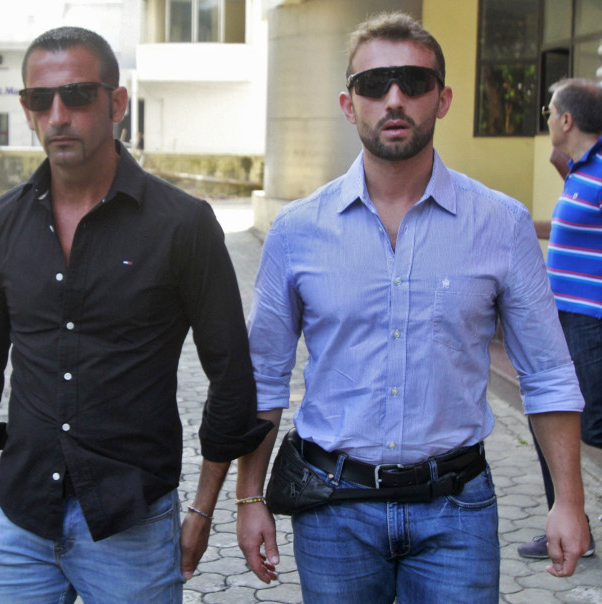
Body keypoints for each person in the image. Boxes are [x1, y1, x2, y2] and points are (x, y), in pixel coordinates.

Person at [236, 12, 590, 603]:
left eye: (413, 83)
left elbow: (549, 375)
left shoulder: (499, 225)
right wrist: (250, 500)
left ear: (443, 98)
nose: (393, 99)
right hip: (333, 513)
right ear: (349, 105)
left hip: (457, 511)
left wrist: (569, 504)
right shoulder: (297, 231)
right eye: (374, 85)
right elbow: (264, 379)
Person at [0, 26, 271, 603]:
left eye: (79, 95)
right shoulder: (2, 224)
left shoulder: (182, 225)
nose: (58, 114)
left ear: (116, 103)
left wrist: (203, 508)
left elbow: (232, 377)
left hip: (132, 523)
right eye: (41, 100)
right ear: (27, 110)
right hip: (21, 520)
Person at [518, 78, 602, 560]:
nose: (547, 119)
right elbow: (575, 228)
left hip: (590, 321)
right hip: (563, 319)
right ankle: (570, 526)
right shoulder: (580, 170)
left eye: (550, 112)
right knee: (547, 415)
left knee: (593, 427)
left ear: (566, 120)